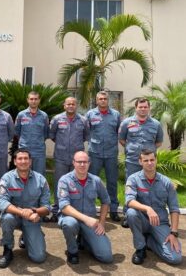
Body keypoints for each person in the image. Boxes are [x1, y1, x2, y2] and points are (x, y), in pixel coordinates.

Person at [125, 149, 182, 265]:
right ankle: (140, 248)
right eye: (146, 160)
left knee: (175, 258)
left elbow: (174, 209)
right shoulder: (133, 179)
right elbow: (129, 201)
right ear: (140, 162)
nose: (149, 163)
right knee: (131, 213)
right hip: (142, 221)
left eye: (152, 160)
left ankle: (149, 241)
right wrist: (148, 209)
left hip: (160, 223)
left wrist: (174, 233)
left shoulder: (166, 182)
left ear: (156, 160)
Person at [57, 151, 113, 265]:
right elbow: (64, 207)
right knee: (69, 224)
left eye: (85, 162)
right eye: (79, 162)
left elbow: (106, 201)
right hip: (71, 218)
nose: (82, 165)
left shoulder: (96, 180)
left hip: (90, 222)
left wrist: (102, 222)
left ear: (89, 163)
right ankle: (72, 251)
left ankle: (83, 239)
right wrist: (85, 218)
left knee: (106, 257)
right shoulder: (65, 180)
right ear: (74, 163)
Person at [0, 149, 50, 268]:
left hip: (32, 219)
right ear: (15, 162)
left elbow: (47, 207)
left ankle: (27, 237)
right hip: (14, 216)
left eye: (26, 158)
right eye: (20, 159)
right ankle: (7, 250)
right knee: (7, 218)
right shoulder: (7, 178)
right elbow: (2, 203)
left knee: (39, 258)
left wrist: (35, 211)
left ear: (30, 161)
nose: (23, 161)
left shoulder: (41, 179)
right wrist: (22, 212)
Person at [119, 98, 163, 227]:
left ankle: (147, 214)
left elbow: (159, 142)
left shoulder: (156, 124)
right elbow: (122, 139)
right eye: (140, 107)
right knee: (130, 187)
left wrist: (148, 156)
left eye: (145, 107)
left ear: (149, 108)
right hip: (132, 161)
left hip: (149, 162)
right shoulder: (127, 122)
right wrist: (131, 149)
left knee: (148, 188)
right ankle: (128, 215)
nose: (143, 109)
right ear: (136, 108)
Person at [49, 97, 89, 222]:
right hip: (61, 157)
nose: (71, 106)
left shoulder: (83, 120)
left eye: (73, 104)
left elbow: (85, 136)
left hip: (77, 160)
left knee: (76, 184)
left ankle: (74, 211)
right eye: (68, 104)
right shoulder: (56, 119)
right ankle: (56, 210)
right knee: (59, 183)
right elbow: (52, 135)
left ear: (76, 105)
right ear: (64, 105)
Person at [85, 90, 121, 222]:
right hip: (95, 153)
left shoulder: (116, 115)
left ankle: (113, 210)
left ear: (108, 100)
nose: (103, 100)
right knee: (92, 182)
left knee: (112, 182)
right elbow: (86, 131)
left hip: (111, 153)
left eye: (105, 98)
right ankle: (90, 209)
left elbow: (119, 131)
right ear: (96, 100)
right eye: (100, 98)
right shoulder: (90, 114)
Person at [15, 91, 49, 176]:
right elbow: (17, 132)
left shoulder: (44, 116)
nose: (33, 101)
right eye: (31, 99)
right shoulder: (21, 115)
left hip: (39, 152)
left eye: (35, 99)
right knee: (23, 175)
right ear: (28, 100)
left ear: (39, 100)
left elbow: (46, 133)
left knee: (39, 176)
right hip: (24, 151)